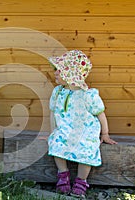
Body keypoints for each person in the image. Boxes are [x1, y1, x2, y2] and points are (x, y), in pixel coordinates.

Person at [48, 50, 117, 198]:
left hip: (86, 131)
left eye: (58, 70)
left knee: (87, 149)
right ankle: (63, 174)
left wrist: (104, 134)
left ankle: (81, 181)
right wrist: (53, 131)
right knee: (56, 143)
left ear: (70, 74)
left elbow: (100, 114)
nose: (55, 73)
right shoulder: (58, 92)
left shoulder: (88, 95)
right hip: (65, 129)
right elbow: (53, 112)